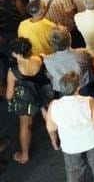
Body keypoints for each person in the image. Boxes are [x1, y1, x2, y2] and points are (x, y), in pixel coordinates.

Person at [45, 71, 94, 182]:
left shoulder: (54, 105)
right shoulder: (88, 101)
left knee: (75, 172)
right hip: (93, 141)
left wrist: (54, 142)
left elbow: (51, 128)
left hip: (70, 146)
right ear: (78, 87)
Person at [5, 37, 48, 165]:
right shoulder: (41, 57)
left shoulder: (13, 71)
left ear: (16, 53)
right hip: (43, 92)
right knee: (49, 115)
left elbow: (9, 94)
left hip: (28, 101)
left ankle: (24, 155)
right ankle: (56, 139)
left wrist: (8, 98)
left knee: (25, 126)